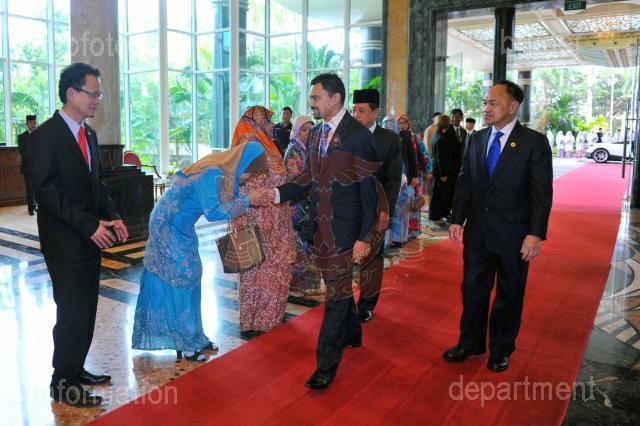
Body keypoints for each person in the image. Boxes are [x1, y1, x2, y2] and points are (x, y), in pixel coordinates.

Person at [262, 73, 378, 390]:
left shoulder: (358, 136)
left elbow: (369, 192)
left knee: (336, 295)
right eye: (312, 97)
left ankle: (325, 366)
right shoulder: (315, 134)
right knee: (337, 285)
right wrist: (276, 194)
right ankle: (353, 332)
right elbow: (308, 178)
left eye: (316, 97)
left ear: (335, 98)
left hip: (346, 230)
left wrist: (364, 237)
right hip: (320, 228)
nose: (311, 102)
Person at [29, 63, 129, 407]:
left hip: (92, 236)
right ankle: (62, 383)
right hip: (64, 241)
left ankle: (75, 369)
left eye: (99, 94)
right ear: (71, 93)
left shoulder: (89, 134)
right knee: (72, 311)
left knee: (87, 307)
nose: (97, 100)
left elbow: (96, 184)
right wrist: (89, 226)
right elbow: (46, 192)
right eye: (93, 93)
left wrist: (112, 217)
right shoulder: (45, 136)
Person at [445, 81, 553, 373]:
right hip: (478, 233)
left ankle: (501, 348)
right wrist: (456, 218)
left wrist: (535, 234)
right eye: (485, 103)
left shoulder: (533, 142)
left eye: (493, 103)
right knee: (472, 290)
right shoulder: (476, 139)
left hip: (514, 235)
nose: (486, 108)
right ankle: (470, 342)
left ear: (513, 106)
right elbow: (465, 181)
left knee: (509, 294)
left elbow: (541, 193)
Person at [132, 143, 270, 361]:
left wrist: (247, 200)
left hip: (182, 226)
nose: (249, 178)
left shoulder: (222, 172)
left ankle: (195, 337)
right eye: (249, 173)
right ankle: (186, 344)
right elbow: (214, 212)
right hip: (167, 226)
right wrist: (248, 200)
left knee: (193, 275)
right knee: (184, 278)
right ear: (241, 163)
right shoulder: (213, 173)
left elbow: (224, 203)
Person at [231, 106, 296, 336]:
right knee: (259, 270)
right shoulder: (252, 149)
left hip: (268, 218)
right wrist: (267, 221)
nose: (272, 125)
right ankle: (259, 321)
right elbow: (249, 188)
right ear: (257, 123)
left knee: (261, 271)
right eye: (268, 121)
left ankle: (260, 319)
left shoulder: (264, 145)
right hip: (260, 220)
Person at [351, 88, 402, 323]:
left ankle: (366, 304)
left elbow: (393, 179)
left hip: (375, 209)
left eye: (361, 110)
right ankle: (343, 302)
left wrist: (385, 210)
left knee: (371, 258)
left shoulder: (389, 140)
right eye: (354, 110)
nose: (356, 115)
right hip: (348, 208)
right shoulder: (346, 136)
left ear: (375, 112)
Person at [284, 115, 322, 295]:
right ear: (297, 131)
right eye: (304, 130)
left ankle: (309, 283)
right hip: (298, 206)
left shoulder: (310, 149)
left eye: (311, 130)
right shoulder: (294, 151)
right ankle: (299, 283)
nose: (308, 134)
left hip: (310, 203)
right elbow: (296, 180)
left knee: (309, 242)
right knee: (301, 244)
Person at [398, 114, 424, 239]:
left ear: (408, 124)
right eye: (399, 122)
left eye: (404, 122)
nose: (402, 125)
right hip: (404, 174)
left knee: (414, 203)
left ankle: (413, 231)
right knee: (403, 205)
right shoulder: (396, 136)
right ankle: (403, 232)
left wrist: (416, 175)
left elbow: (420, 155)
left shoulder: (414, 137)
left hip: (414, 174)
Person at [429, 114, 453, 226]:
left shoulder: (437, 135)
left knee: (438, 193)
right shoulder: (441, 138)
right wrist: (443, 174)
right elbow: (441, 159)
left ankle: (439, 215)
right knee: (437, 195)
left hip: (437, 169)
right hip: (440, 171)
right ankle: (436, 217)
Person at [17, 114, 37, 215]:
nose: (33, 125)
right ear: (27, 124)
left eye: (34, 123)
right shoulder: (21, 137)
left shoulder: (39, 135)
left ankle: (37, 205)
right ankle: (31, 208)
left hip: (39, 167)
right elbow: (23, 153)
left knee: (38, 188)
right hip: (28, 167)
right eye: (30, 123)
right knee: (30, 189)